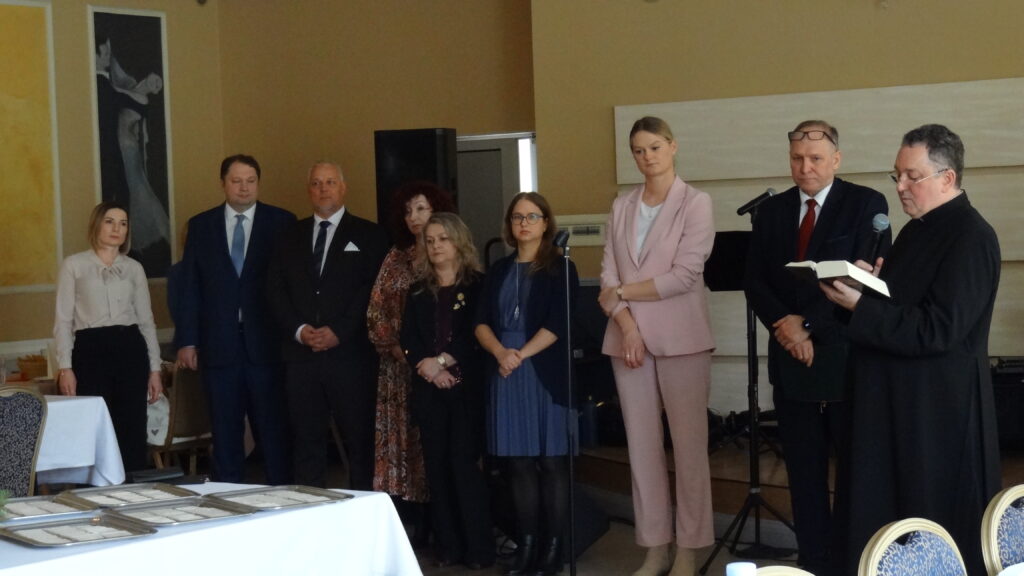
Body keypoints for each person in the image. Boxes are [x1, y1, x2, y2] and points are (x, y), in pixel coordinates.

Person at [821, 124, 1001, 576]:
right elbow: (902, 309)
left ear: (947, 177)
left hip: (935, 417)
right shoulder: (915, 232)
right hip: (895, 409)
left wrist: (860, 306)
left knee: (928, 530)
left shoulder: (972, 236)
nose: (900, 186)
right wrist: (865, 288)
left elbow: (939, 329)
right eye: (896, 175)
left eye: (912, 176)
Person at [743, 120, 890, 574]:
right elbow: (755, 281)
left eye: (815, 159)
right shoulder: (771, 212)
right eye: (797, 159)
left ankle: (853, 560)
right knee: (803, 474)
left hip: (843, 357)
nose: (805, 167)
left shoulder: (867, 204)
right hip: (791, 359)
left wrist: (807, 325)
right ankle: (813, 562)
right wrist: (786, 329)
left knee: (854, 472)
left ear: (836, 159)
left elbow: (862, 280)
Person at [598, 116, 714, 576]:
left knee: (688, 450)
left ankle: (689, 548)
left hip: (682, 340)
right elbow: (607, 276)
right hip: (627, 339)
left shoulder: (696, 203)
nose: (647, 157)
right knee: (642, 450)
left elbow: (684, 276)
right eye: (638, 150)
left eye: (654, 147)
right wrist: (627, 326)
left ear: (672, 146)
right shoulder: (621, 206)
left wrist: (623, 292)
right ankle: (655, 547)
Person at [175, 154, 296, 484]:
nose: (244, 188)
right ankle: (228, 499)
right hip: (219, 347)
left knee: (273, 430)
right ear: (223, 184)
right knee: (225, 433)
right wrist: (188, 340)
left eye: (251, 181)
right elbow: (190, 286)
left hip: (267, 346)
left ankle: (282, 497)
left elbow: (293, 284)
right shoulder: (201, 226)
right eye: (236, 181)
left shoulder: (282, 222)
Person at [267, 161, 389, 489]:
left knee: (360, 441)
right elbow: (275, 290)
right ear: (309, 190)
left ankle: (361, 509)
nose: (324, 189)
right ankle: (312, 508)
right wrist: (298, 330)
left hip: (351, 357)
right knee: (306, 441)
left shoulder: (370, 235)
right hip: (301, 358)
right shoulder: (288, 236)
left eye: (330, 182)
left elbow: (372, 291)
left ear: (343, 188)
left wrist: (340, 331)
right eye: (317, 183)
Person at [476, 192, 578, 576]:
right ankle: (527, 545)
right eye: (518, 217)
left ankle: (554, 549)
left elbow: (558, 323)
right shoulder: (499, 270)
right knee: (518, 464)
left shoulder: (560, 267)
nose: (524, 223)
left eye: (532, 216)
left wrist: (519, 355)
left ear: (546, 223)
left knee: (551, 462)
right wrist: (501, 352)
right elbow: (480, 321)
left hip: (543, 371)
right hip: (506, 371)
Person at [401, 212, 493, 570]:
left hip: (466, 388)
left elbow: (478, 334)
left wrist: (442, 362)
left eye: (443, 239)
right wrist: (428, 367)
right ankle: (448, 547)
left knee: (464, 467)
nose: (436, 246)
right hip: (429, 390)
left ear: (458, 242)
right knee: (436, 469)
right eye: (430, 241)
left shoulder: (478, 285)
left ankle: (478, 549)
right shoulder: (417, 290)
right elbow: (409, 338)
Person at [368, 182, 456, 539]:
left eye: (421, 208)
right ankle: (407, 521)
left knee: (433, 445)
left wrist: (427, 358)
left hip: (439, 368)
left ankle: (441, 524)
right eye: (407, 211)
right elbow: (376, 310)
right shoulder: (395, 257)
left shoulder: (449, 255)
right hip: (396, 369)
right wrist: (398, 350)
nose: (414, 217)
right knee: (400, 444)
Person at [53, 202, 163, 473]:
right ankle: (95, 489)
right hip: (90, 350)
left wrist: (155, 369)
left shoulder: (134, 268)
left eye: (123, 223)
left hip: (130, 348)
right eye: (110, 222)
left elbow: (146, 321)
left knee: (132, 424)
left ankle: (133, 485)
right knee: (95, 426)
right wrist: (65, 367)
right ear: (96, 225)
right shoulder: (74, 265)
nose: (117, 229)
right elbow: (63, 321)